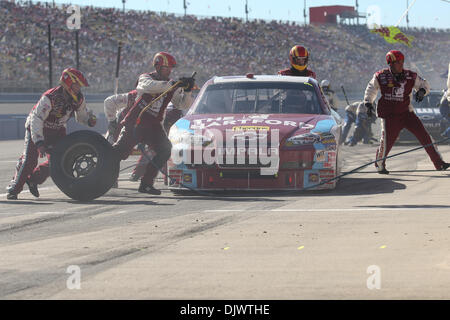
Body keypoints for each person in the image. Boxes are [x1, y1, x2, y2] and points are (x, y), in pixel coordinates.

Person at [6, 68, 97, 200]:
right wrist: (39, 142)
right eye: (77, 85)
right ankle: (14, 188)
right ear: (69, 82)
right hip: (36, 128)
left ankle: (33, 180)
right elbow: (36, 119)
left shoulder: (79, 99)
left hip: (57, 131)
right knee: (30, 160)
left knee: (58, 160)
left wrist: (89, 120)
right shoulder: (50, 97)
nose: (79, 88)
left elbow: (81, 116)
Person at [113, 52, 194, 195]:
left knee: (165, 149)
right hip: (135, 123)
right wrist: (173, 84)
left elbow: (182, 105)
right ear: (157, 66)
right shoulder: (145, 78)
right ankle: (105, 177)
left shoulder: (170, 85)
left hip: (154, 126)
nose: (169, 71)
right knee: (119, 152)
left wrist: (187, 91)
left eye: (170, 68)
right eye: (166, 67)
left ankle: (146, 184)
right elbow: (150, 86)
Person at [364, 50, 449, 174]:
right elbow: (371, 89)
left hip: (407, 113)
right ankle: (380, 164)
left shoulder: (411, 75)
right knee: (386, 142)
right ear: (390, 63)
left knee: (425, 137)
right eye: (397, 62)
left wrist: (421, 92)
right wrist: (368, 103)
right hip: (389, 116)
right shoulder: (380, 76)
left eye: (401, 62)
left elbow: (425, 85)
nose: (400, 64)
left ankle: (439, 163)